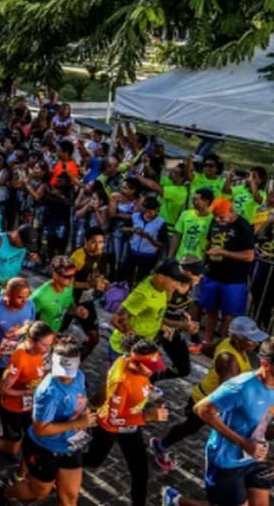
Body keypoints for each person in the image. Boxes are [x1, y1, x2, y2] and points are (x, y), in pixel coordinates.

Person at [161, 338, 274, 506]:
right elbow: (201, 409)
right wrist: (243, 443)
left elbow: (264, 422)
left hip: (255, 458)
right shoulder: (240, 387)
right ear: (266, 364)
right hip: (226, 461)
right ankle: (176, 501)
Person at [152, 316, 267, 471]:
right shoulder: (229, 361)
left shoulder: (227, 342)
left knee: (191, 427)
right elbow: (227, 392)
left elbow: (206, 349)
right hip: (205, 400)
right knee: (190, 427)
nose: (256, 343)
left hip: (204, 394)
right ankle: (161, 444)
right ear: (238, 338)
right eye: (251, 340)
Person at [0, 336, 95, 506]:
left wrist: (84, 411)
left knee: (69, 499)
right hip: (45, 449)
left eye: (70, 374)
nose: (67, 379)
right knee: (38, 492)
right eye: (62, 374)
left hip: (70, 446)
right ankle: (4, 491)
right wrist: (77, 424)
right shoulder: (48, 392)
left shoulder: (80, 377)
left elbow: (79, 398)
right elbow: (41, 429)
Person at [83, 337, 170, 506]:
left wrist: (147, 390)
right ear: (134, 363)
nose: (153, 371)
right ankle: (61, 462)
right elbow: (113, 419)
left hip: (130, 427)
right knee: (93, 460)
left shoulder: (128, 362)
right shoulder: (121, 382)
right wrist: (147, 416)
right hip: (109, 428)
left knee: (140, 472)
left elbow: (139, 381)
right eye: (150, 368)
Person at [0, 320, 55, 460]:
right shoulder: (20, 358)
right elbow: (2, 389)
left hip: (28, 406)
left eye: (50, 344)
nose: (48, 349)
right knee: (12, 449)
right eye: (44, 344)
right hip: (13, 409)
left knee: (32, 435)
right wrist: (28, 392)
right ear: (31, 341)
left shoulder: (39, 352)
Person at [108, 259, 191, 362]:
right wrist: (134, 338)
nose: (177, 284)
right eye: (175, 280)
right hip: (123, 351)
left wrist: (161, 325)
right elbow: (115, 319)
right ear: (161, 277)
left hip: (141, 349)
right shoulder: (143, 295)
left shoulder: (161, 287)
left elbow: (152, 313)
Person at [200, 197, 256, 343]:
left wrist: (223, 252)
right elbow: (209, 240)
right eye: (216, 217)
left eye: (222, 216)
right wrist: (206, 251)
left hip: (233, 280)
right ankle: (207, 342)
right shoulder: (215, 221)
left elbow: (249, 256)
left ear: (231, 211)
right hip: (212, 274)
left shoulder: (243, 226)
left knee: (228, 316)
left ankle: (223, 345)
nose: (219, 220)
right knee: (211, 310)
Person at [69, 227, 110, 357]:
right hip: (69, 299)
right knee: (52, 333)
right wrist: (88, 284)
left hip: (86, 300)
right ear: (85, 241)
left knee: (93, 338)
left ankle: (74, 364)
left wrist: (104, 283)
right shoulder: (78, 257)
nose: (98, 246)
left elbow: (100, 275)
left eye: (101, 242)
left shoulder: (103, 256)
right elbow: (65, 283)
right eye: (94, 242)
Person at [29, 256, 77, 333]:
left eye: (74, 275)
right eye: (67, 276)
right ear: (55, 275)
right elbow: (26, 323)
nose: (72, 279)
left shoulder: (69, 287)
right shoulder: (39, 297)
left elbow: (67, 307)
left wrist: (76, 310)